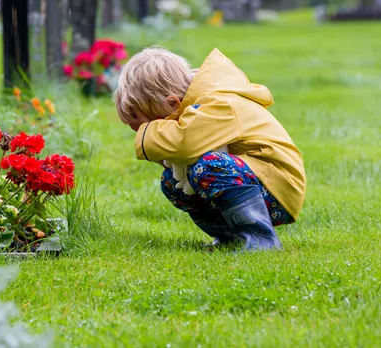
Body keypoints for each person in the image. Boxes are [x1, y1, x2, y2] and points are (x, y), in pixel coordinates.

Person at [113, 47, 306, 250]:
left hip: (277, 188)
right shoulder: (202, 103)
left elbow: (183, 143)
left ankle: (262, 241)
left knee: (210, 166)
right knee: (172, 182)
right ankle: (230, 237)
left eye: (154, 122)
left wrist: (147, 136)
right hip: (254, 179)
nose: (154, 130)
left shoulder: (218, 103)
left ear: (172, 103)